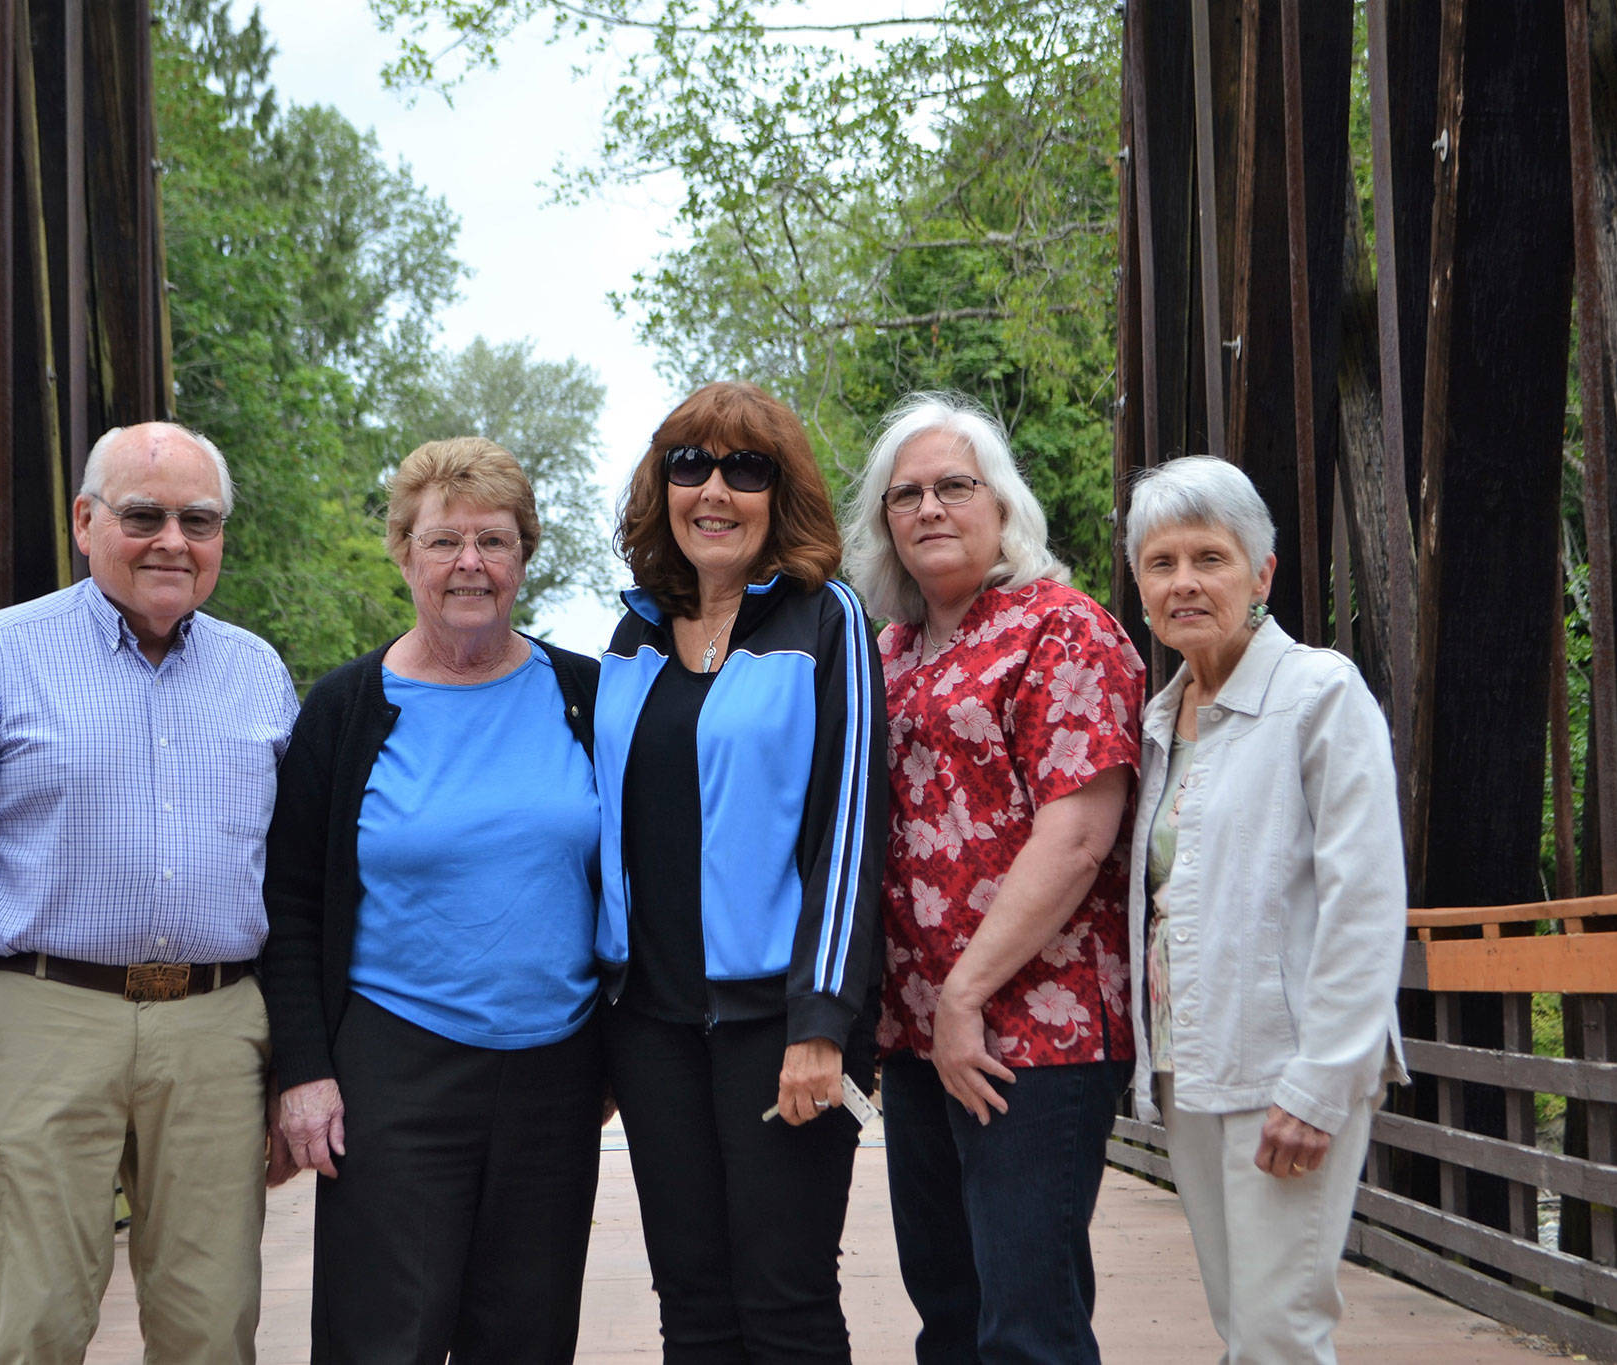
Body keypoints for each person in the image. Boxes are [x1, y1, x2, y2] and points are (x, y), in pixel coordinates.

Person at [0, 422, 300, 1364]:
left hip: (216, 1023)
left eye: (198, 519)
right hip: (43, 1013)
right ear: (86, 520)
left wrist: (294, 1057)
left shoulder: (260, 674)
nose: (172, 540)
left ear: (221, 535)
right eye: (143, 514)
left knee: (212, 1325)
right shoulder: (0, 654)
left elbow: (292, 880)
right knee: (30, 1321)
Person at [261, 437, 605, 1364]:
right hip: (394, 1069)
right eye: (443, 541)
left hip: (556, 1071)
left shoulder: (588, 696)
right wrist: (302, 1069)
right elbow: (290, 903)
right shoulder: (344, 708)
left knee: (526, 1336)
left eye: (493, 542)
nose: (470, 564)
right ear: (404, 552)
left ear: (525, 557)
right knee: (386, 1336)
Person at [840, 390, 1144, 1363]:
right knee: (949, 1313)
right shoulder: (882, 654)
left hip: (1033, 1029)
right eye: (905, 494)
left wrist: (966, 993)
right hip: (920, 1033)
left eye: (952, 486)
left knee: (1024, 1324)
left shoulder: (1060, 629)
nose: (928, 508)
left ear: (1001, 504)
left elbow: (1076, 833)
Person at [593, 380, 887, 1362]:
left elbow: (846, 829)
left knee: (785, 1300)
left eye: (743, 469)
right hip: (652, 1029)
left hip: (776, 1023)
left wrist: (821, 1024)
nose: (713, 490)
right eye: (690, 465)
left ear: (779, 493)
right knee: (692, 1302)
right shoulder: (632, 637)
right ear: (662, 487)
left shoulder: (821, 620)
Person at [1124, 454, 1407, 1363]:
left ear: (1263, 573)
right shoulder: (1161, 722)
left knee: (1280, 1329)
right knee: (1239, 1319)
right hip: (1189, 1061)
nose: (1186, 583)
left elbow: (1367, 901)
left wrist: (1322, 1081)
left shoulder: (1318, 694)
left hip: (1287, 1067)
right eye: (1161, 564)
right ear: (1140, 588)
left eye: (1210, 557)